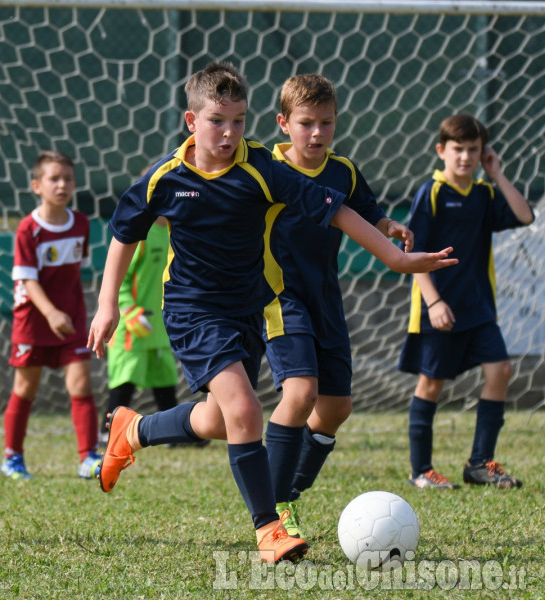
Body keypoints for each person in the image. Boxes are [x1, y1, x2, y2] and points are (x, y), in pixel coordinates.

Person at [88, 61, 457, 564]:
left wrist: (395, 258)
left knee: (221, 419)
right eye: (217, 120)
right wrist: (108, 303)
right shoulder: (165, 179)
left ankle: (134, 430)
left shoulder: (261, 167)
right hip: (193, 310)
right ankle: (269, 529)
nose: (230, 132)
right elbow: (124, 233)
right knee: (246, 412)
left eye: (239, 120)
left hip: (249, 309)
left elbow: (337, 209)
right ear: (191, 122)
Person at [261, 73, 415, 539]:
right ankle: (273, 507)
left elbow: (367, 209)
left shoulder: (342, 170)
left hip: (326, 296)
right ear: (283, 123)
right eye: (306, 123)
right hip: (277, 296)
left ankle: (292, 488)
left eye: (326, 123)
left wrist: (388, 226)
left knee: (336, 407)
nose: (316, 133)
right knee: (300, 392)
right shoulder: (264, 168)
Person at [399, 113, 534, 489]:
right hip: (438, 308)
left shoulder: (485, 193)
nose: (465, 157)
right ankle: (421, 471)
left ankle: (480, 463)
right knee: (431, 385)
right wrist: (434, 302)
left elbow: (525, 216)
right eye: (458, 149)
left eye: (473, 150)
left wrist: (497, 174)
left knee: (501, 371)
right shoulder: (432, 192)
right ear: (441, 150)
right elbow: (413, 253)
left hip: (478, 309)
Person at [1, 150, 102, 481]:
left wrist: (70, 312)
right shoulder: (28, 229)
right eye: (54, 179)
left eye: (68, 179)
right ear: (36, 186)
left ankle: (88, 457)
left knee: (81, 383)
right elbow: (27, 280)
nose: (62, 185)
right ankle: (12, 458)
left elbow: (77, 271)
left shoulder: (82, 223)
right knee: (26, 388)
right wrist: (50, 312)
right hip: (34, 322)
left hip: (71, 318)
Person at [102, 214, 186, 445]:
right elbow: (120, 278)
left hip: (159, 324)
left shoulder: (175, 231)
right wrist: (128, 310)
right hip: (132, 325)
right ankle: (106, 433)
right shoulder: (138, 235)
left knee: (165, 378)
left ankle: (173, 435)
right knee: (125, 380)